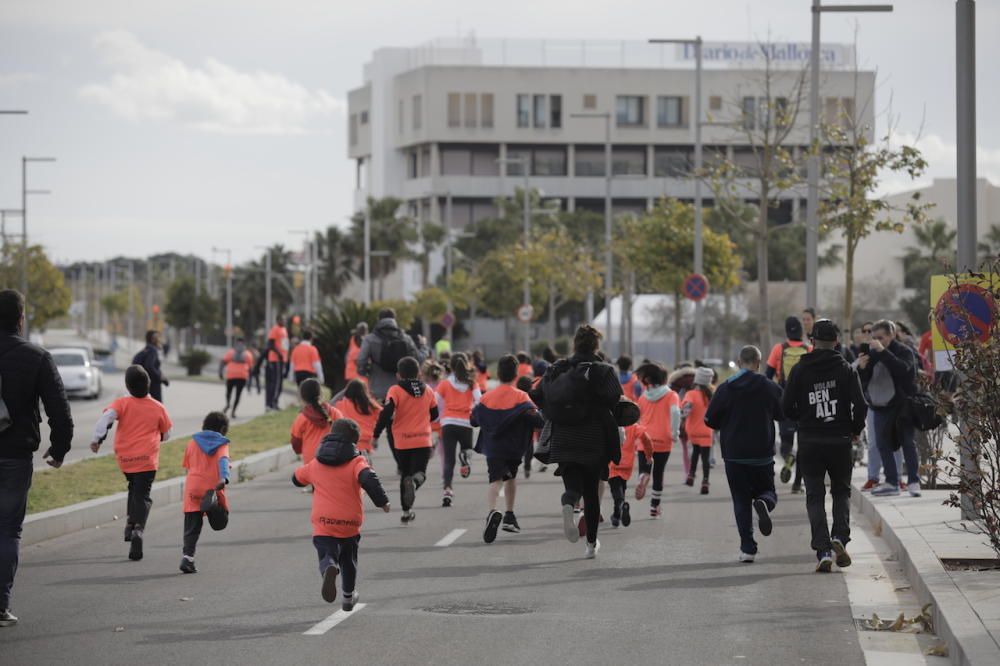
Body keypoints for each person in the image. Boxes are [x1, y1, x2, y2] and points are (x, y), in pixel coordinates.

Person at [0, 290, 73, 628]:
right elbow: (59, 409)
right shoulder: (36, 357)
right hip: (15, 455)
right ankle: (0, 606)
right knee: (8, 530)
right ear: (20, 317)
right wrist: (58, 449)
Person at [782, 319, 868, 572]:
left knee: (814, 495)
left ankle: (822, 551)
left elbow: (786, 407)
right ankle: (839, 537)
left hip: (810, 441)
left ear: (812, 342)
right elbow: (861, 405)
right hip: (839, 440)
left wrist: (804, 420)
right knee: (841, 492)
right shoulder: (846, 369)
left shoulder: (799, 369)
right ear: (837, 342)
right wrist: (854, 429)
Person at [531, 325, 622, 559]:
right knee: (591, 493)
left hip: (563, 436)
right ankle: (591, 545)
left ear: (574, 344)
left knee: (573, 487)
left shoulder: (558, 369)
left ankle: (569, 504)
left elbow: (538, 396)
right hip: (594, 438)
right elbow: (616, 401)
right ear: (596, 346)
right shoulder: (604, 371)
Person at [292, 419, 390, 610]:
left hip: (323, 523)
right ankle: (348, 597)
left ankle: (329, 565)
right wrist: (382, 501)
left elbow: (296, 478)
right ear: (354, 442)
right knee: (349, 560)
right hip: (349, 524)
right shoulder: (357, 462)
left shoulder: (316, 463)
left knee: (326, 553)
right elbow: (369, 478)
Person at [704, 345, 783, 563]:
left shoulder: (726, 388)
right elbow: (783, 412)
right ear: (758, 363)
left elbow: (709, 420)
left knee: (740, 500)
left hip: (734, 454)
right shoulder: (769, 387)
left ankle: (748, 548)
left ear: (739, 363)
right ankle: (765, 504)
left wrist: (727, 424)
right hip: (763, 453)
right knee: (768, 490)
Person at [90, 365, 173, 561]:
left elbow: (105, 419)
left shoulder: (122, 403)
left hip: (126, 459)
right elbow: (167, 434)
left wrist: (96, 439)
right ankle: (138, 529)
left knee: (133, 488)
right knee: (143, 495)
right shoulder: (158, 407)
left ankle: (129, 523)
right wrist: (158, 436)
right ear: (149, 384)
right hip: (147, 460)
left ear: (127, 385)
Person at [473, 354, 545, 543]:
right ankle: (510, 515)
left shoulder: (486, 397)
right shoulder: (522, 397)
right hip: (514, 447)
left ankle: (492, 511)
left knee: (495, 480)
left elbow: (474, 420)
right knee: (511, 477)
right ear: (515, 375)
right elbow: (537, 420)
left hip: (493, 447)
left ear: (498, 373)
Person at [858, 319, 921, 497]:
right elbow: (865, 380)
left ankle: (913, 481)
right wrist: (863, 368)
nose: (878, 340)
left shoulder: (904, 351)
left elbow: (903, 370)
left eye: (881, 337)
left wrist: (883, 352)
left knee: (907, 442)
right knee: (882, 444)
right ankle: (891, 482)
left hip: (902, 405)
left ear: (891, 335)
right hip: (880, 405)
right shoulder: (873, 352)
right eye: (875, 337)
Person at [373, 356, 439, 523]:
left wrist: (376, 434)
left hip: (402, 442)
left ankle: (406, 511)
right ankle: (415, 485)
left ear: (398, 375)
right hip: (423, 440)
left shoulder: (395, 390)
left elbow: (386, 413)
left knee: (406, 475)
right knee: (420, 474)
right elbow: (435, 414)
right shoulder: (428, 391)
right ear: (418, 373)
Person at [179, 411, 232, 574]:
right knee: (221, 520)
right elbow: (223, 461)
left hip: (193, 487)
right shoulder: (222, 444)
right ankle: (213, 511)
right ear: (223, 428)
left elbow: (187, 466)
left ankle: (188, 557)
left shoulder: (192, 443)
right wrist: (224, 478)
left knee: (192, 525)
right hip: (212, 487)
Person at [767, 316, 812, 494]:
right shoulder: (809, 349)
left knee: (786, 441)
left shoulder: (778, 349)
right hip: (805, 403)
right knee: (802, 443)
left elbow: (768, 375)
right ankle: (797, 484)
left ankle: (788, 457)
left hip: (784, 400)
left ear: (786, 331)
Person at [634, 362, 681, 518]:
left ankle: (643, 476)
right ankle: (654, 507)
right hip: (663, 440)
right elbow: (675, 413)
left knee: (645, 468)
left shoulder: (642, 397)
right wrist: (674, 432)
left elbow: (637, 419)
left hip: (644, 440)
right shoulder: (671, 395)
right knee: (659, 473)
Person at [436, 353, 481, 507]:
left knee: (449, 460)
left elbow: (435, 403)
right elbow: (479, 401)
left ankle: (447, 490)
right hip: (466, 423)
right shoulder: (471, 383)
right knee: (467, 450)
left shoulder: (444, 384)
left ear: (451, 366)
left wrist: (436, 421)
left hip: (448, 423)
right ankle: (465, 459)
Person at [356, 308, 427, 402]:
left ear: (379, 319)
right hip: (402, 391)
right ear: (394, 319)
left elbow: (361, 362)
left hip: (378, 391)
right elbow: (419, 359)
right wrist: (423, 346)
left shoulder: (370, 339)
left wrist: (368, 372)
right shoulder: (406, 338)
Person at [608, 418, 653, 529]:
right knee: (621, 488)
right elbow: (646, 438)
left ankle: (621, 506)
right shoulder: (633, 427)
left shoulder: (609, 423)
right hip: (627, 464)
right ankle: (616, 516)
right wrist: (649, 455)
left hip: (612, 462)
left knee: (616, 490)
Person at [291, 378, 343, 467]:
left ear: (302, 397)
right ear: (321, 394)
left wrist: (299, 451)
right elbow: (344, 433)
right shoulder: (334, 413)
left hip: (310, 460)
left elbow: (295, 442)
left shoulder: (301, 417)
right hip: (333, 456)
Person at [682, 367, 715, 494]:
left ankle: (691, 475)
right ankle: (705, 481)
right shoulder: (710, 395)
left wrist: (684, 413)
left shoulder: (690, 394)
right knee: (705, 458)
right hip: (707, 430)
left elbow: (686, 408)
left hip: (693, 430)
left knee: (695, 452)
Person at [334, 380, 383, 466]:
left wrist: (343, 392)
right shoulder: (370, 405)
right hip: (366, 443)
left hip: (348, 443)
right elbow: (384, 415)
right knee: (365, 468)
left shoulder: (341, 404)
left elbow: (331, 403)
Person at [219, 337, 254, 418]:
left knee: (228, 392)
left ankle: (228, 404)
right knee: (238, 395)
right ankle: (233, 412)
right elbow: (251, 369)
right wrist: (250, 382)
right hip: (242, 376)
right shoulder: (248, 354)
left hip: (231, 375)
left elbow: (223, 362)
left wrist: (220, 373)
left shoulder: (230, 352)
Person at [132, 330, 169, 403]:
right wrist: (160, 377)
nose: (160, 340)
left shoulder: (146, 349)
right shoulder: (152, 350)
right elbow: (149, 366)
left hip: (146, 385)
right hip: (153, 384)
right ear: (153, 339)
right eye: (158, 338)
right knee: (156, 407)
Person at [264, 315, 290, 411]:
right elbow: (270, 344)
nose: (284, 321)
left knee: (279, 383)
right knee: (275, 383)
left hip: (282, 360)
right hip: (275, 359)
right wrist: (279, 354)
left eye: (285, 319)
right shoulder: (275, 329)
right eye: (282, 319)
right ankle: (270, 404)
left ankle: (275, 403)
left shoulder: (284, 329)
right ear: (278, 320)